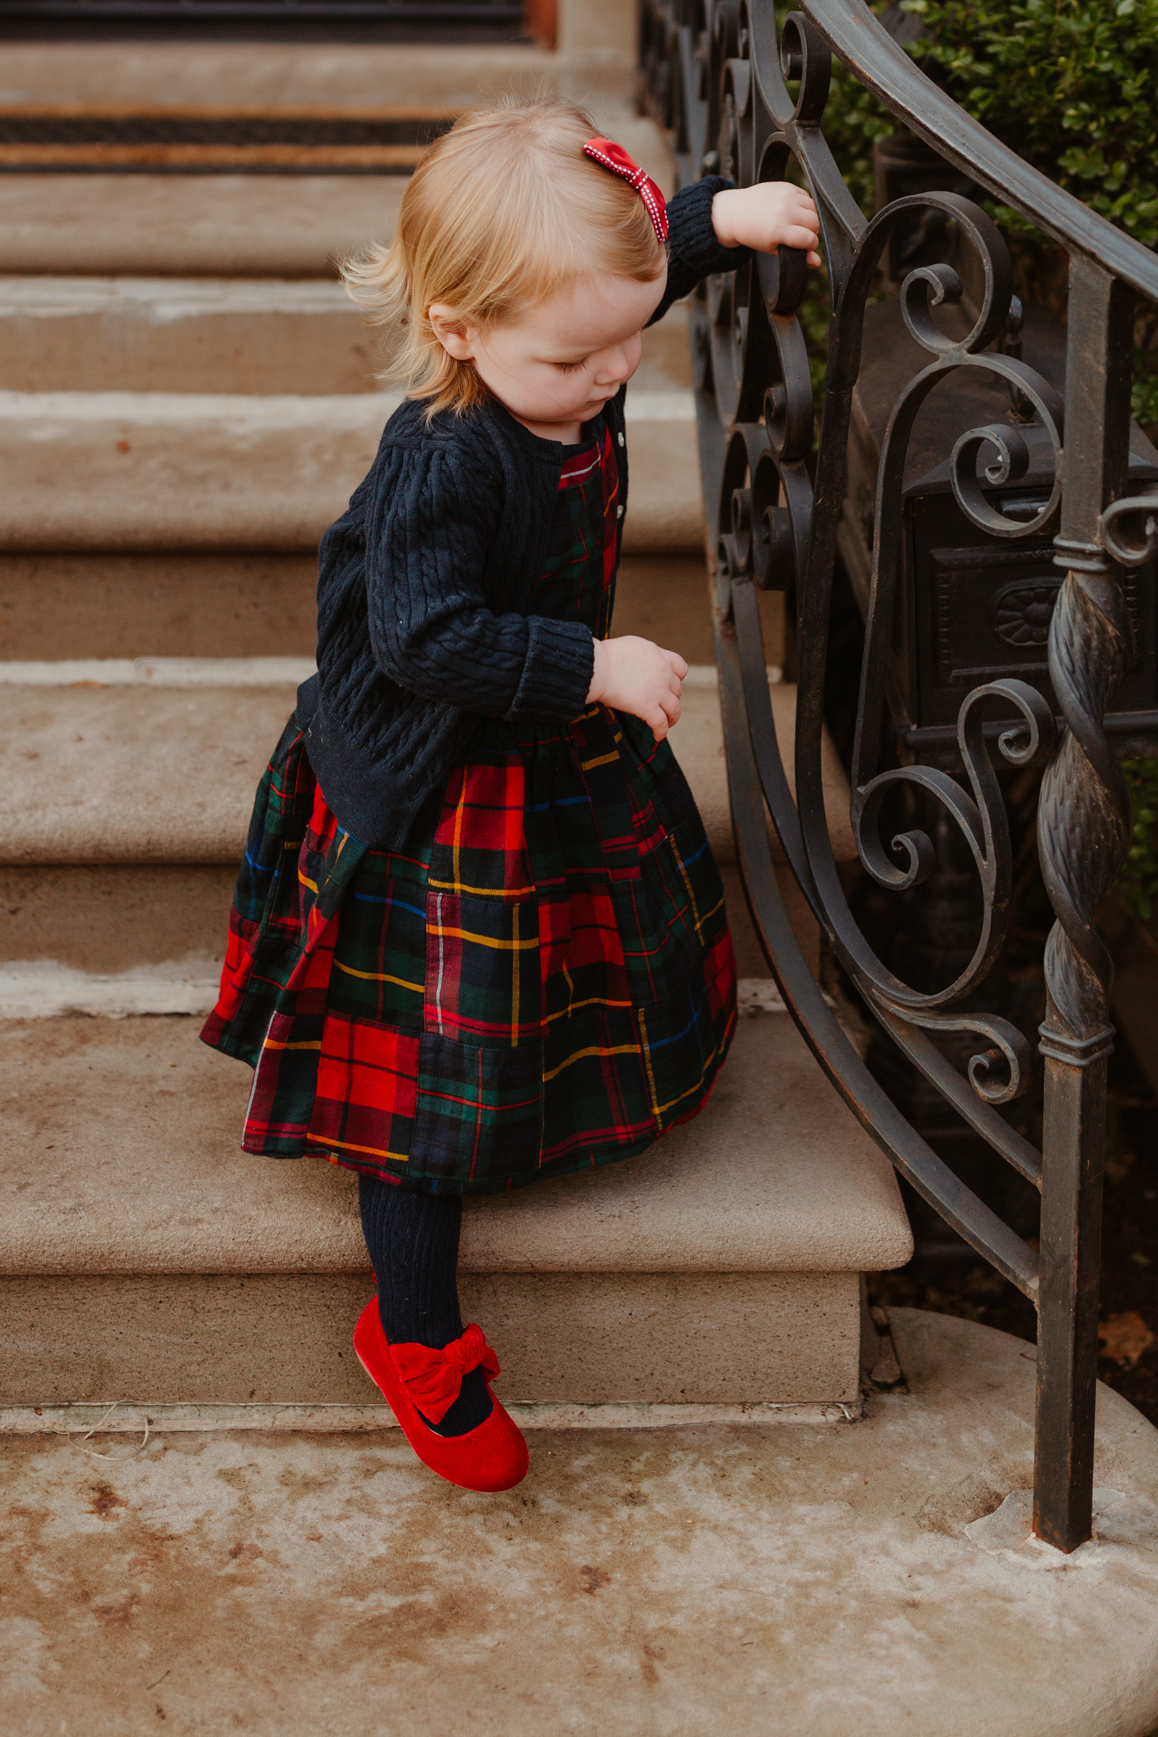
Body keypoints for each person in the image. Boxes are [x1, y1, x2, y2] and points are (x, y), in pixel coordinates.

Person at [199, 101, 821, 1492]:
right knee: (426, 1079)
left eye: (630, 343)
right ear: (460, 327)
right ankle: (412, 1332)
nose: (610, 374)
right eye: (574, 355)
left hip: (546, 735)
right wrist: (585, 661)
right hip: (433, 780)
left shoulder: (574, 326)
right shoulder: (447, 455)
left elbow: (646, 252)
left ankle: (590, 1074)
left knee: (594, 928)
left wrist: (724, 218)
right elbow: (424, 639)